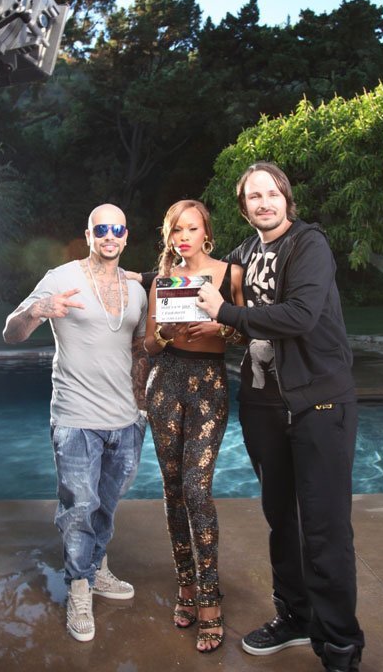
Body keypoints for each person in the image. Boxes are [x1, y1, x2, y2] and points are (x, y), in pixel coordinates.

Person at [196, 162, 365, 672]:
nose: (264, 203)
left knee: (324, 527)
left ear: (286, 199)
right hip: (264, 404)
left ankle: (340, 644)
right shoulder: (246, 253)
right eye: (254, 197)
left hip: (319, 402)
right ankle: (295, 616)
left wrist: (225, 313)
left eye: (271, 193)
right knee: (281, 520)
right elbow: (200, 271)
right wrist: (136, 277)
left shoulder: (309, 244)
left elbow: (300, 314)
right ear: (244, 207)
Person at [3, 204, 149, 643]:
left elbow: (139, 349)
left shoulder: (136, 290)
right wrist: (38, 309)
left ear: (126, 235)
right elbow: (11, 331)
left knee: (106, 505)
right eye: (101, 228)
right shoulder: (60, 278)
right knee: (79, 508)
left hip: (126, 419)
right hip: (76, 417)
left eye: (117, 228)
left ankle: (96, 568)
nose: (109, 235)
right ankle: (80, 588)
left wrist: (143, 407)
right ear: (88, 235)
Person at [143, 199, 244, 654]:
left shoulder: (230, 274)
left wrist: (220, 329)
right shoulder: (163, 281)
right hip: (165, 383)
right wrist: (167, 333)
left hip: (208, 385)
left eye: (191, 228)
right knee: (172, 490)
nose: (183, 237)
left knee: (197, 490)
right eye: (175, 230)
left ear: (207, 233)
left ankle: (209, 596)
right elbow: (149, 345)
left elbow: (246, 330)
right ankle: (185, 584)